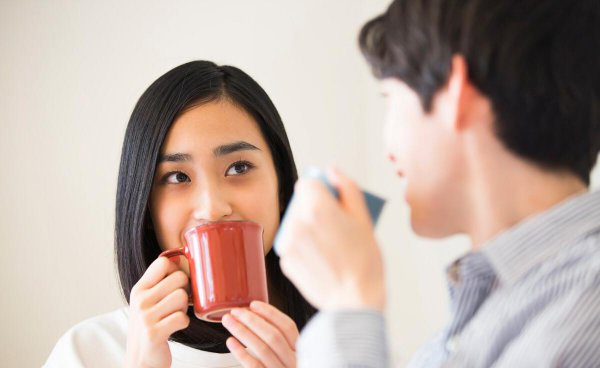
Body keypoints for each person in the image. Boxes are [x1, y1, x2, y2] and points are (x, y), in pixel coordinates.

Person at [274, 0, 600, 367]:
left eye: (391, 97)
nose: (387, 147)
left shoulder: (586, 307)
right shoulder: (456, 337)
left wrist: (348, 304)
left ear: (453, 94)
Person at [45, 61, 316, 368]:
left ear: (281, 187)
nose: (212, 207)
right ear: (146, 208)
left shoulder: (342, 346)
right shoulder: (86, 351)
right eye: (177, 177)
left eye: (239, 168)